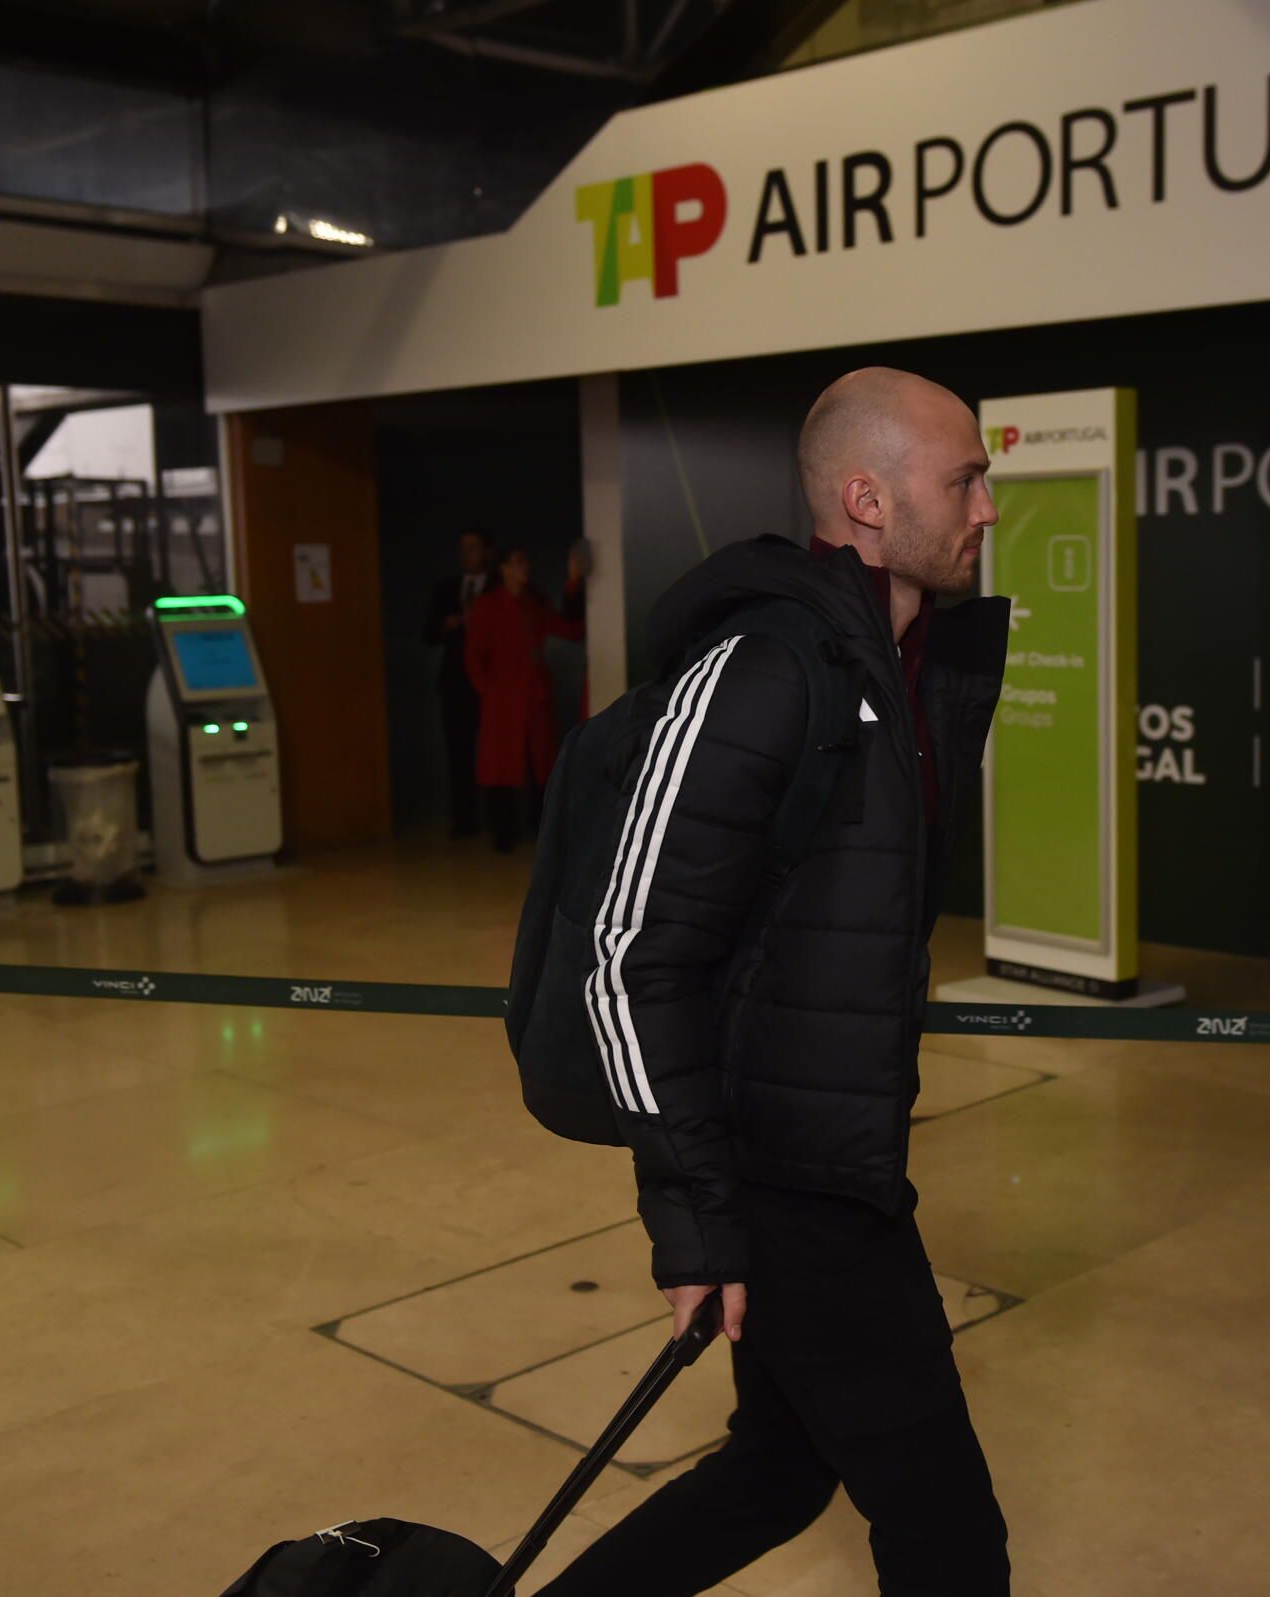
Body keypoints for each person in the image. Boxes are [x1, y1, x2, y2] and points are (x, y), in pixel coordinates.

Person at [541, 368, 1011, 1595]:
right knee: (951, 1540)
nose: (987, 506)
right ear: (867, 496)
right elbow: (628, 953)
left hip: (835, 1154)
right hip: (786, 1178)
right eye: (964, 477)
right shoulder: (765, 666)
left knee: (776, 1471)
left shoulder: (903, 669)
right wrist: (698, 1218)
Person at [464, 543, 585, 851]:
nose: (523, 569)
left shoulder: (535, 603)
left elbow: (571, 629)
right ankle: (503, 832)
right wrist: (488, 691)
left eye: (525, 562)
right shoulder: (487, 605)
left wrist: (574, 582)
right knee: (501, 765)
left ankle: (539, 829)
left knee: (540, 763)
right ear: (503, 568)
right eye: (516, 563)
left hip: (534, 694)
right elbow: (474, 655)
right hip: (503, 697)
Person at [423, 529, 493, 838]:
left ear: (486, 552)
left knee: (494, 753)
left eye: (474, 548)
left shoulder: (498, 587)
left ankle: (499, 820)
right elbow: (428, 635)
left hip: (492, 683)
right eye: (462, 549)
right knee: (458, 754)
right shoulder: (446, 590)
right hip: (455, 685)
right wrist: (447, 625)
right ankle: (463, 820)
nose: (468, 555)